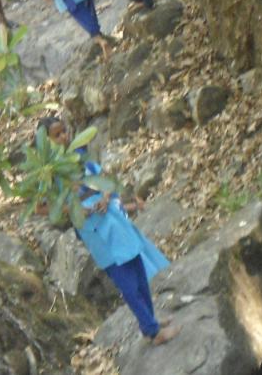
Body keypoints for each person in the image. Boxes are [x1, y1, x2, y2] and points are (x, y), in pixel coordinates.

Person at [36, 116, 181, 346]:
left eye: (64, 132)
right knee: (126, 281)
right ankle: (152, 332)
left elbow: (103, 179)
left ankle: (150, 321)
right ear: (46, 142)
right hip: (95, 230)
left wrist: (104, 196)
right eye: (57, 135)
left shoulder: (80, 159)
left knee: (138, 271)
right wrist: (72, 209)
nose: (64, 137)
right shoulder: (50, 175)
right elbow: (40, 207)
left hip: (113, 219)